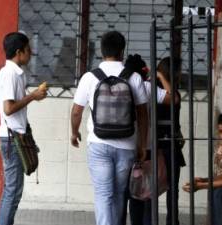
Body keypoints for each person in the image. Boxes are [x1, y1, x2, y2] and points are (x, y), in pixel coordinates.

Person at [70, 31, 149, 225]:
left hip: (98, 143)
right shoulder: (134, 78)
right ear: (122, 51)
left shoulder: (90, 77)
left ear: (101, 50)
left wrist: (74, 132)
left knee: (103, 194)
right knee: (118, 194)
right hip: (126, 145)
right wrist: (141, 145)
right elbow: (143, 115)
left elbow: (76, 112)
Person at [0, 32, 47, 225]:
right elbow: (8, 109)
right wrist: (32, 96)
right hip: (12, 139)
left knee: (13, 191)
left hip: (15, 136)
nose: (31, 53)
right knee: (12, 191)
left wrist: (32, 96)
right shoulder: (10, 74)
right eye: (28, 49)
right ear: (19, 52)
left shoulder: (15, 73)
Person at [123, 54, 180, 225]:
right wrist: (160, 76)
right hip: (146, 147)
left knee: (130, 192)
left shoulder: (119, 85)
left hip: (123, 145)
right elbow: (174, 99)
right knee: (146, 191)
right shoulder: (146, 86)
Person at [182, 112, 222, 225]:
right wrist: (205, 180)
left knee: (219, 193)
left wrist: (202, 185)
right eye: (221, 132)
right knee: (215, 191)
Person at [153, 56, 185, 225]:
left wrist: (159, 77)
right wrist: (160, 77)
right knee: (168, 188)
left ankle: (171, 221)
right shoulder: (157, 92)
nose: (181, 74)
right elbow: (173, 98)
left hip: (166, 144)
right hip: (161, 145)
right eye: (179, 71)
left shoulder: (164, 91)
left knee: (168, 187)